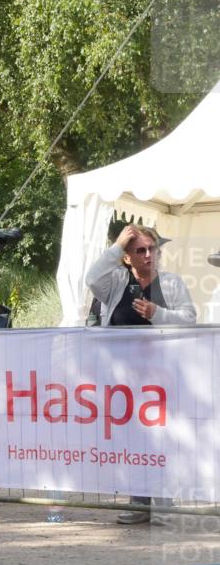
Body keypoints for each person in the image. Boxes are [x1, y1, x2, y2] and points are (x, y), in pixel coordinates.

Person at [86, 224, 196, 525]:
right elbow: (91, 279)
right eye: (140, 250)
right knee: (131, 441)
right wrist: (117, 245)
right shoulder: (115, 282)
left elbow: (189, 318)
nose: (149, 255)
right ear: (126, 257)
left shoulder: (171, 283)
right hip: (123, 381)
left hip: (162, 379)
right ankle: (138, 502)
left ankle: (164, 506)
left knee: (162, 439)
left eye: (152, 249)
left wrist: (157, 314)